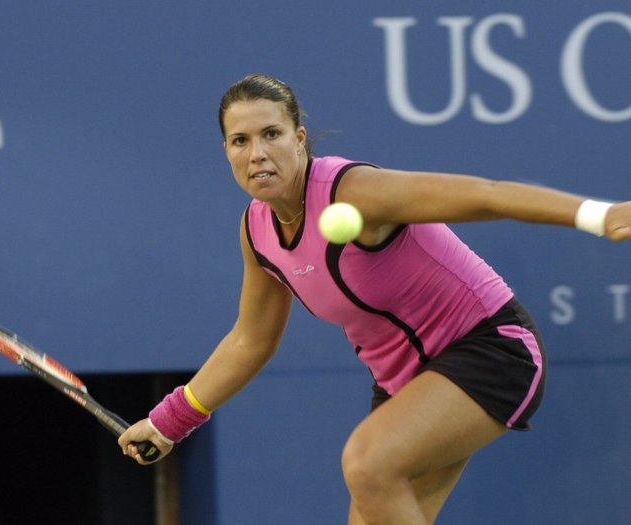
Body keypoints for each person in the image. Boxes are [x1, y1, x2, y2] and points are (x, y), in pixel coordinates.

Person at [119, 74, 631, 525]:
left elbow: (486, 193)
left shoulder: (354, 192)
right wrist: (169, 422)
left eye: (271, 134)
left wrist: (596, 214)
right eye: (240, 140)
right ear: (227, 151)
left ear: (299, 139)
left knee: (367, 460)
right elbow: (250, 340)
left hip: (492, 348)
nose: (256, 153)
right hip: (409, 381)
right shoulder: (257, 233)